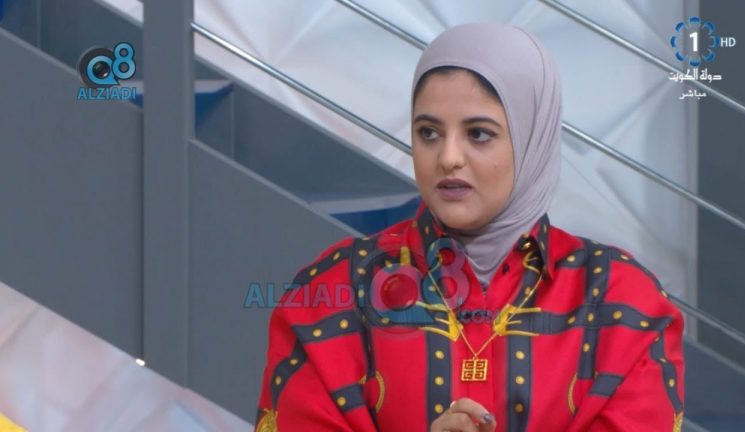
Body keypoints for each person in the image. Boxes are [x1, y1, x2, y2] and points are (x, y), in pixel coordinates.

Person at [254, 23, 684, 432]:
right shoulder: (336, 290)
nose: (448, 158)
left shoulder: (621, 300)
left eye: (478, 134)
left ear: (532, 139)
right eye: (429, 133)